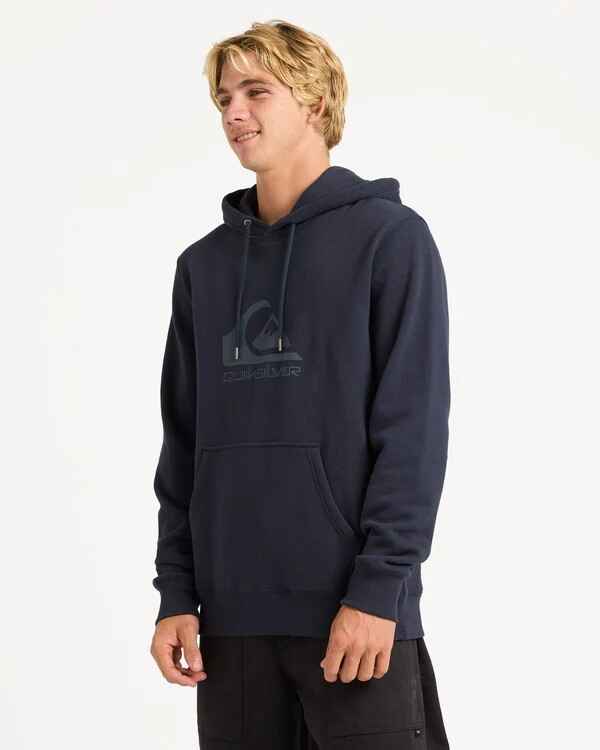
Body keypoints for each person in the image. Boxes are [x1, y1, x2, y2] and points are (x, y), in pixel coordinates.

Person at [149, 18, 451, 750]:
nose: (234, 112)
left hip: (353, 618)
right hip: (230, 625)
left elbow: (412, 432)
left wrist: (378, 590)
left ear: (315, 102)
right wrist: (176, 592)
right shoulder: (203, 267)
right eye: (224, 98)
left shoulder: (390, 240)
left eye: (256, 92)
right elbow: (183, 443)